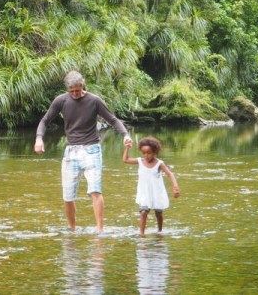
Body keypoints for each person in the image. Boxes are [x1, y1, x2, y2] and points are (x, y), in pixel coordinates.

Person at [34, 70, 132, 232]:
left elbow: (113, 119)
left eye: (77, 90)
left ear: (83, 85)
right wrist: (39, 138)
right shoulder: (61, 100)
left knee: (95, 190)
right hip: (71, 152)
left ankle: (100, 230)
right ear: (67, 89)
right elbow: (45, 120)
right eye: (71, 91)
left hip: (92, 149)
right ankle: (72, 229)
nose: (74, 94)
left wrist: (125, 135)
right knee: (67, 196)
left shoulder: (94, 100)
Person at [122, 136, 180, 235]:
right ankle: (142, 234)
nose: (146, 155)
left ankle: (160, 231)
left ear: (155, 152)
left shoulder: (159, 164)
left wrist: (175, 187)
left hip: (156, 193)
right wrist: (127, 148)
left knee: (159, 213)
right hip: (144, 193)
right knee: (143, 212)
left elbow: (170, 174)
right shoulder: (140, 161)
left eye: (148, 153)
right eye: (143, 153)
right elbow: (125, 160)